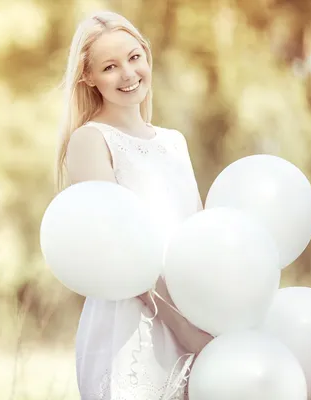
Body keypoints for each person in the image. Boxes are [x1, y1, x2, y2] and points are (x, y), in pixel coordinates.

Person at [54, 10, 214, 400]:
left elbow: (197, 236)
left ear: (146, 54)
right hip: (132, 327)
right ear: (88, 77)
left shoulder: (174, 142)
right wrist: (182, 328)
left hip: (193, 315)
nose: (128, 74)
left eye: (134, 57)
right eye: (110, 66)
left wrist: (207, 321)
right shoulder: (91, 140)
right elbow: (119, 250)